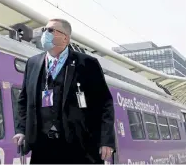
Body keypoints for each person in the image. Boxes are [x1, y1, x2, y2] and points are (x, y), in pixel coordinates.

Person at [13, 18, 115, 164]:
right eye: (44, 30)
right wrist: (21, 130)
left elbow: (105, 103)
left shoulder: (87, 63)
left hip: (80, 148)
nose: (45, 34)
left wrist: (106, 140)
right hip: (42, 147)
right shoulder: (33, 63)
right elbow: (23, 101)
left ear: (65, 38)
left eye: (50, 30)